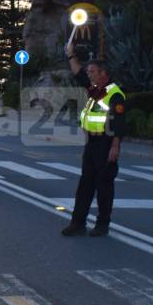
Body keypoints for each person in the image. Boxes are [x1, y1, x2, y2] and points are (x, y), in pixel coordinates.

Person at [61, 41, 126, 237]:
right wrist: (71, 55)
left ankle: (102, 224)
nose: (89, 75)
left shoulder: (114, 94)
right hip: (91, 144)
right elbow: (79, 75)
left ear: (103, 73)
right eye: (89, 72)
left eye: (93, 72)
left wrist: (115, 146)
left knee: (104, 187)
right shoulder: (96, 91)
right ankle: (78, 223)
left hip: (106, 144)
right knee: (85, 185)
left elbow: (120, 122)